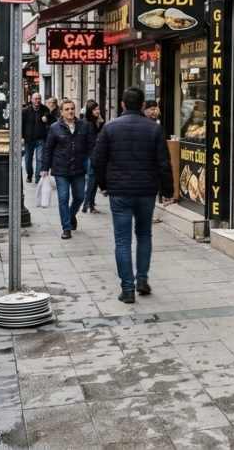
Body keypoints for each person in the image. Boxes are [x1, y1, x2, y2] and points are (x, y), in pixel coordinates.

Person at [92, 86, 174, 304]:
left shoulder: (110, 128)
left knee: (122, 240)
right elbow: (163, 162)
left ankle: (127, 289)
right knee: (144, 234)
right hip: (146, 190)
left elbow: (97, 160)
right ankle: (142, 280)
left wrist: (103, 184)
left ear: (122, 104)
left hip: (119, 191)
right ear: (143, 106)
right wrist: (167, 191)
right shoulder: (154, 129)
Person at [42, 99, 94, 240]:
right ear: (61, 112)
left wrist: (90, 161)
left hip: (78, 168)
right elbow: (48, 149)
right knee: (63, 198)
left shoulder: (84, 126)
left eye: (72, 108)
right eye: (67, 109)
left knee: (80, 196)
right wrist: (45, 167)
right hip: (61, 169)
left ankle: (71, 216)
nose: (70, 111)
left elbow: (90, 146)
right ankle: (66, 228)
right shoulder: (55, 127)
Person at [81, 99, 105, 214]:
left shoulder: (94, 121)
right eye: (95, 109)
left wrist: (100, 122)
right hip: (90, 155)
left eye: (98, 109)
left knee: (94, 180)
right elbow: (92, 140)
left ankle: (90, 205)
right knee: (92, 180)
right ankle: (86, 205)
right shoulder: (88, 123)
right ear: (90, 111)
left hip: (93, 154)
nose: (97, 111)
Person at [22, 93, 50, 183]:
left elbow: (50, 118)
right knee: (28, 159)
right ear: (32, 100)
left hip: (41, 138)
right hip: (28, 139)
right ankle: (29, 175)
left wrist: (47, 117)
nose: (37, 101)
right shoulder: (26, 110)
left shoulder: (45, 109)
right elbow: (22, 124)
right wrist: (21, 137)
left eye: (39, 99)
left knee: (40, 158)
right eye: (36, 99)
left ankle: (38, 177)